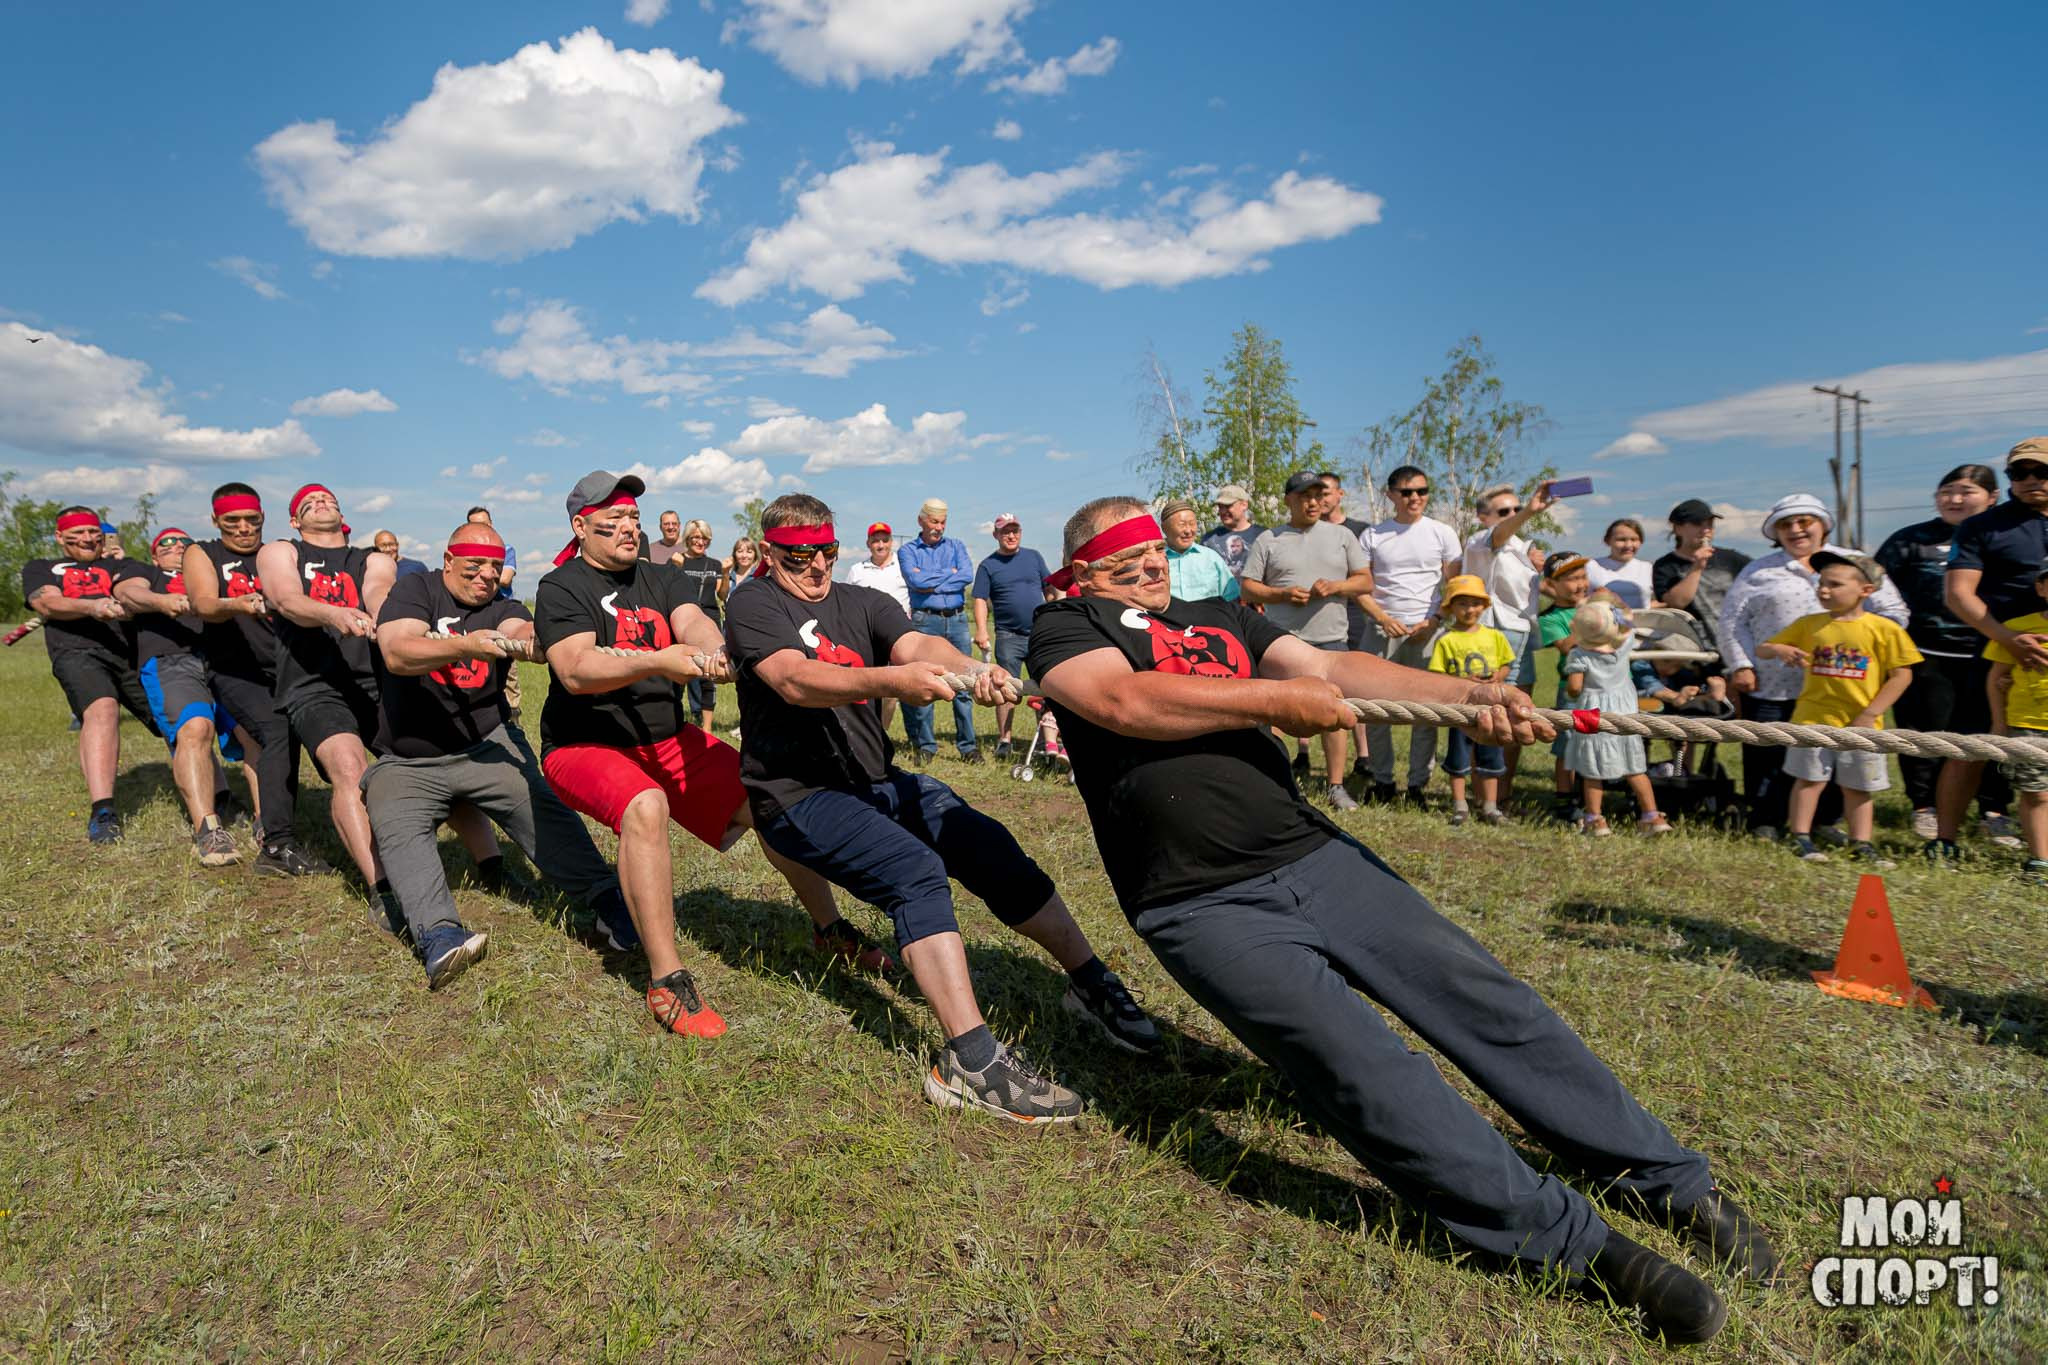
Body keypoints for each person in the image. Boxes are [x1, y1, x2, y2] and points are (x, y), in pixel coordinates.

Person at [1030, 495, 1771, 1343]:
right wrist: (1269, 701)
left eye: (1156, 550)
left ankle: (1672, 1183)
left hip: (1313, 854)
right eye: (1126, 558)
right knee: (1366, 1074)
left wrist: (1469, 691)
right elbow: (1124, 702)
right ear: (1084, 569)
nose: (1152, 567)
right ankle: (1583, 1248)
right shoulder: (1067, 627)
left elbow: (1335, 669)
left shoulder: (1218, 610)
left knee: (1490, 1003)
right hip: (1198, 902)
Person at [724, 493, 1157, 1121]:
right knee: (915, 873)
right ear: (769, 553)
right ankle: (971, 1064)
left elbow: (917, 648)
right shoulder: (754, 603)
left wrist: (971, 669)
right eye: (798, 556)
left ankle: (1091, 984)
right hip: (796, 797)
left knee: (988, 847)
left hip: (875, 779)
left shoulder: (862, 601)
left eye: (825, 550)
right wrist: (890, 683)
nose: (817, 566)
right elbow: (796, 679)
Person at [533, 471, 872, 1038]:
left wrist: (714, 652)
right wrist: (658, 660)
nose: (627, 529)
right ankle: (667, 979)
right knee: (644, 805)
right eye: (612, 521)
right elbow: (575, 669)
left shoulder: (660, 578)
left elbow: (695, 622)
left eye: (633, 520)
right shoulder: (562, 587)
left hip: (669, 737)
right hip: (584, 744)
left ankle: (831, 929)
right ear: (580, 527)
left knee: (767, 799)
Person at [366, 521, 639, 989]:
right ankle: (440, 935)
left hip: (486, 747)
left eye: (495, 567)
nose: (485, 576)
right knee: (397, 824)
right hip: (408, 761)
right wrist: (467, 645)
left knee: (546, 811)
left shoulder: (503, 605)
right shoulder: (416, 589)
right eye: (474, 565)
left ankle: (610, 903)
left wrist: (543, 642)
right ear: (448, 561)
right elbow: (397, 651)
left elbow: (521, 629)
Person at [1719, 494, 1907, 841]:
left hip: (1841, 686)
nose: (1796, 530)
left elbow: (1894, 613)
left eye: (1805, 521)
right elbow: (1733, 621)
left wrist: (1864, 648)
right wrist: (1741, 664)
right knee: (1769, 753)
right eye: (1786, 524)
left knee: (1835, 753)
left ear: (1823, 525)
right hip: (1773, 680)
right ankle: (1767, 820)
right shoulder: (1759, 570)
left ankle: (1824, 821)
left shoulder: (1855, 563)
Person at [257, 483, 398, 912]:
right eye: (308, 503)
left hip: (375, 681)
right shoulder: (282, 552)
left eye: (329, 499)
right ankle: (383, 891)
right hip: (312, 683)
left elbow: (377, 592)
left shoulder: (371, 558)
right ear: (295, 521)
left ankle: (485, 861)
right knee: (348, 767)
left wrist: (380, 616)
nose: (321, 502)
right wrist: (333, 613)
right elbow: (285, 598)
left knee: (426, 758)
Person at [184, 483, 329, 877]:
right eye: (233, 521)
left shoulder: (277, 553)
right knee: (275, 730)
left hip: (289, 665)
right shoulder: (203, 552)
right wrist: (239, 604)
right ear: (216, 520)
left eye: (253, 520)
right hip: (236, 669)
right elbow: (202, 603)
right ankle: (277, 844)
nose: (245, 528)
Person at [1873, 464, 2013, 842]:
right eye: (1946, 490)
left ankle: (1994, 809)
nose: (1954, 499)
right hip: (1926, 654)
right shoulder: (1911, 540)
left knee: (1994, 733)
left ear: (1992, 496)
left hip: (1995, 653)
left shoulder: (2003, 534)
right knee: (1925, 733)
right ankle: (1925, 806)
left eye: (1966, 491)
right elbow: (1874, 588)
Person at [1755, 552, 1919, 867]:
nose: (1824, 590)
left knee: (1858, 787)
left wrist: (1870, 714)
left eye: (1835, 584)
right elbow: (1763, 649)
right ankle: (1801, 836)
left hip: (1863, 726)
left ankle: (1862, 842)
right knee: (1808, 781)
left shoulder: (1884, 629)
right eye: (1821, 583)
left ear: (1866, 590)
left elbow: (1902, 675)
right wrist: (1778, 648)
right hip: (1812, 719)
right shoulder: (1809, 624)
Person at [1930, 438, 2048, 865]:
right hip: (1996, 656)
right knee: (1971, 747)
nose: (2032, 480)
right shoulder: (1981, 526)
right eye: (2020, 473)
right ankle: (1943, 840)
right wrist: (2006, 639)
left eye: (2042, 472)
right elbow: (1959, 595)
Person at [113, 527, 253, 864]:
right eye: (167, 543)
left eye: (184, 543)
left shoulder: (212, 574)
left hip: (228, 661)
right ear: (154, 555)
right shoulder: (146, 573)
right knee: (195, 728)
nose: (177, 546)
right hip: (172, 661)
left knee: (256, 733)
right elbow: (128, 594)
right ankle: (209, 831)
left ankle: (270, 825)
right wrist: (165, 602)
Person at [1238, 471, 1373, 810]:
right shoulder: (1269, 539)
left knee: (1334, 716)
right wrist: (1281, 595)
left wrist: (1337, 586)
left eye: (1317, 495)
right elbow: (1248, 587)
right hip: (1283, 644)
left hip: (1331, 642)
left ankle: (1336, 786)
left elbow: (1365, 582)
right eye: (1304, 496)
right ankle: (1273, 781)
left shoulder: (1342, 536)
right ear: (1288, 501)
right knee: (1275, 715)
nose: (1312, 502)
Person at [23, 505, 158, 843]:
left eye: (92, 532)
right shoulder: (43, 568)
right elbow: (48, 603)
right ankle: (104, 810)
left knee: (172, 721)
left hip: (131, 654)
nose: (86, 538)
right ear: (59, 537)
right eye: (77, 533)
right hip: (76, 651)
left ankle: (215, 796)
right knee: (102, 709)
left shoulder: (122, 565)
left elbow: (134, 590)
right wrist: (93, 606)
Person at [1357, 465, 1463, 803]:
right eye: (1406, 492)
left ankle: (1418, 784)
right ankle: (1383, 781)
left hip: (1427, 631)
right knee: (1374, 710)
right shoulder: (1373, 535)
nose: (1415, 498)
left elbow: (1454, 585)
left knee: (1426, 711)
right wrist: (1383, 618)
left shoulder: (1442, 533)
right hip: (1381, 629)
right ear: (1391, 495)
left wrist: (1435, 620)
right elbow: (1360, 587)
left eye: (1421, 491)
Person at [1465, 481, 1556, 787]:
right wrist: (1531, 510)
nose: (1514, 514)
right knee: (1490, 713)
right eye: (1505, 511)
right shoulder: (1481, 540)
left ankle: (1504, 793)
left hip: (1523, 631)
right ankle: (1483, 794)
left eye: (1517, 508)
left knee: (1521, 714)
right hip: (1495, 631)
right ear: (1483, 516)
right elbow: (1498, 536)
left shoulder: (1521, 547)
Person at [1561, 600, 1673, 837]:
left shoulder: (1578, 654)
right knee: (1634, 766)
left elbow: (1574, 687)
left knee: (1590, 768)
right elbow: (1628, 623)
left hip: (1589, 710)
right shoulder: (1623, 647)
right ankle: (1652, 816)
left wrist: (1570, 693)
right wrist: (1620, 610)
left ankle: (1595, 819)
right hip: (1625, 710)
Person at [1516, 549, 1597, 822]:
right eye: (1572, 579)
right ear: (1552, 586)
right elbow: (1568, 647)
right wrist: (1589, 617)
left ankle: (1590, 798)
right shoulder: (1551, 618)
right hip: (1574, 691)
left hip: (1604, 689)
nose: (1580, 584)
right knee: (1569, 745)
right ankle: (1565, 799)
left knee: (1595, 743)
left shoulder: (1598, 605)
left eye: (1583, 577)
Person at [896, 498, 979, 763]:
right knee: (924, 682)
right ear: (921, 520)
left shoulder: (956, 546)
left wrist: (931, 579)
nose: (939, 527)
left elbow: (966, 574)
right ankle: (926, 746)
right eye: (934, 521)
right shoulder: (908, 550)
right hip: (925, 621)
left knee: (965, 682)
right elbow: (915, 579)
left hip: (956, 620)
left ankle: (968, 747)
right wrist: (948, 574)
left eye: (943, 522)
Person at [1428, 574, 1515, 825]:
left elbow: (1507, 664)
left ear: (1484, 606)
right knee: (1458, 760)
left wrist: (1497, 676)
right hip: (1461, 710)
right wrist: (1465, 682)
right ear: (1450, 607)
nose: (1470, 610)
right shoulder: (1446, 639)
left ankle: (1490, 806)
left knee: (1491, 759)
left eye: (1475, 604)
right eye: (1462, 604)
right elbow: (1438, 674)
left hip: (1492, 710)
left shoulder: (1494, 636)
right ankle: (1460, 806)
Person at [1985, 560, 2048, 884]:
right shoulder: (2018, 628)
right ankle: (2040, 860)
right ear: (2040, 588)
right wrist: (1999, 724)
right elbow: (1997, 677)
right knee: (2036, 793)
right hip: (2029, 724)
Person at [970, 513, 1051, 760]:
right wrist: (982, 630)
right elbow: (980, 599)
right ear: (996, 535)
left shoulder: (1034, 557)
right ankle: (1004, 739)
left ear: (1021, 532)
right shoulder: (988, 565)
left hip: (1038, 633)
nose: (1011, 535)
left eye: (1015, 530)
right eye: (1005, 531)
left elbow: (1049, 588)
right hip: (1008, 636)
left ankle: (1044, 740)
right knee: (1004, 688)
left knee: (1044, 686)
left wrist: (1054, 617)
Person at [1651, 500, 1750, 659]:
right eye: (1697, 524)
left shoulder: (1731, 559)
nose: (1706, 530)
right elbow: (1677, 602)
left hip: (1736, 645)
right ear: (1677, 528)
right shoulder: (1665, 566)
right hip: (1694, 651)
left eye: (1710, 524)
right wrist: (1697, 567)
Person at [843, 522, 909, 738]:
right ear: (868, 543)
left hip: (896, 637)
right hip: (866, 637)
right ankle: (865, 733)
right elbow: (845, 603)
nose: (880, 545)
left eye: (884, 540)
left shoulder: (903, 568)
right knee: (867, 685)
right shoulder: (857, 571)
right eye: (875, 540)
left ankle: (882, 733)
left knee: (892, 691)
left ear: (891, 542)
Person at [670, 519, 724, 728]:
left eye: (704, 538)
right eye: (695, 537)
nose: (700, 542)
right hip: (682, 618)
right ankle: (676, 720)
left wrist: (726, 574)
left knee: (709, 672)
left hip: (710, 617)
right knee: (679, 670)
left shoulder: (714, 565)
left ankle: (707, 727)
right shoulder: (677, 561)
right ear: (688, 538)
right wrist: (676, 568)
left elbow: (722, 593)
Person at [1160, 499, 1238, 604]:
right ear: (1165, 528)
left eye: (1192, 524)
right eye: (1182, 525)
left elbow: (1232, 596)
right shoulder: (1156, 560)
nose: (1188, 531)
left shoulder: (1211, 558)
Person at [1200, 483, 1265, 578]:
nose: (1222, 511)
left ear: (1244, 505)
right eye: (1220, 507)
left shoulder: (1262, 535)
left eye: (1227, 506)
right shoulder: (1209, 540)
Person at [1587, 519, 1654, 608]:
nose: (1628, 545)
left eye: (1634, 539)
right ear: (1607, 541)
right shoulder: (1591, 566)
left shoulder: (1648, 568)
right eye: (1621, 539)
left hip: (1644, 621)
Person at [465, 506, 518, 600]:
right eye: (477, 525)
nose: (483, 528)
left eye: (485, 524)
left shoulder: (506, 550)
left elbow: (505, 579)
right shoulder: (465, 552)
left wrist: (472, 574)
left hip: (500, 604)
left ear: (491, 524)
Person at [719, 536, 759, 605]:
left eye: (749, 552)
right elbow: (722, 597)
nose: (744, 555)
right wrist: (725, 573)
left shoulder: (758, 577)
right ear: (734, 554)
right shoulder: (729, 575)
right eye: (740, 551)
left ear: (755, 555)